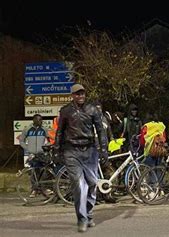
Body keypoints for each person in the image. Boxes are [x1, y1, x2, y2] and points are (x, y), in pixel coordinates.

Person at [54, 84, 108, 232]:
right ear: (72, 95)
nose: (80, 96)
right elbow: (59, 132)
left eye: (82, 93)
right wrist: (57, 150)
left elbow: (101, 131)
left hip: (90, 151)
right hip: (71, 151)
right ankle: (82, 219)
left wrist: (104, 150)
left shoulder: (93, 109)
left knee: (91, 184)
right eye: (77, 94)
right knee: (78, 186)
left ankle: (89, 214)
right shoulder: (65, 111)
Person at [19, 114, 52, 198]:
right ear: (34, 120)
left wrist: (47, 146)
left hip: (41, 154)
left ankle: (43, 188)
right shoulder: (27, 129)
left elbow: (50, 139)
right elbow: (21, 140)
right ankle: (34, 190)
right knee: (34, 172)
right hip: (32, 154)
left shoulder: (44, 129)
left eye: (41, 120)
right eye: (38, 120)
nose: (40, 121)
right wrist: (27, 148)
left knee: (44, 171)